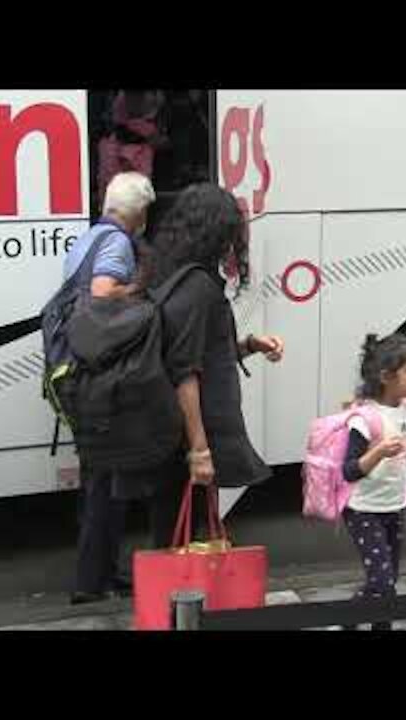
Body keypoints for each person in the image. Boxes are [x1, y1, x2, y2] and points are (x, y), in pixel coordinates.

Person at [114, 183, 285, 550]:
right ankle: (182, 608)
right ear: (218, 232)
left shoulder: (167, 276)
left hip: (165, 435)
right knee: (186, 544)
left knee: (175, 537)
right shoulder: (198, 288)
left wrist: (250, 345)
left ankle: (178, 606)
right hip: (183, 441)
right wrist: (200, 451)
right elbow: (185, 371)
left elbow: (196, 351)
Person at [63, 172, 156, 605]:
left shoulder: (90, 237)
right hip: (99, 379)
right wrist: (141, 289)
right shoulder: (118, 243)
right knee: (106, 481)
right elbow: (102, 294)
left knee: (98, 479)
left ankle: (101, 573)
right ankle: (91, 582)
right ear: (137, 211)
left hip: (77, 373)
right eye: (146, 213)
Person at [339, 333, 406, 630]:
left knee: (388, 581)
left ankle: (359, 620)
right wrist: (378, 453)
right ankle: (348, 617)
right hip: (362, 509)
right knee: (382, 582)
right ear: (386, 376)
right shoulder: (364, 418)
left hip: (394, 505)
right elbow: (348, 471)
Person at [97, 90, 167, 194]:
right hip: (120, 150)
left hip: (142, 151)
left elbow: (159, 138)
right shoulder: (121, 104)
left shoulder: (156, 99)